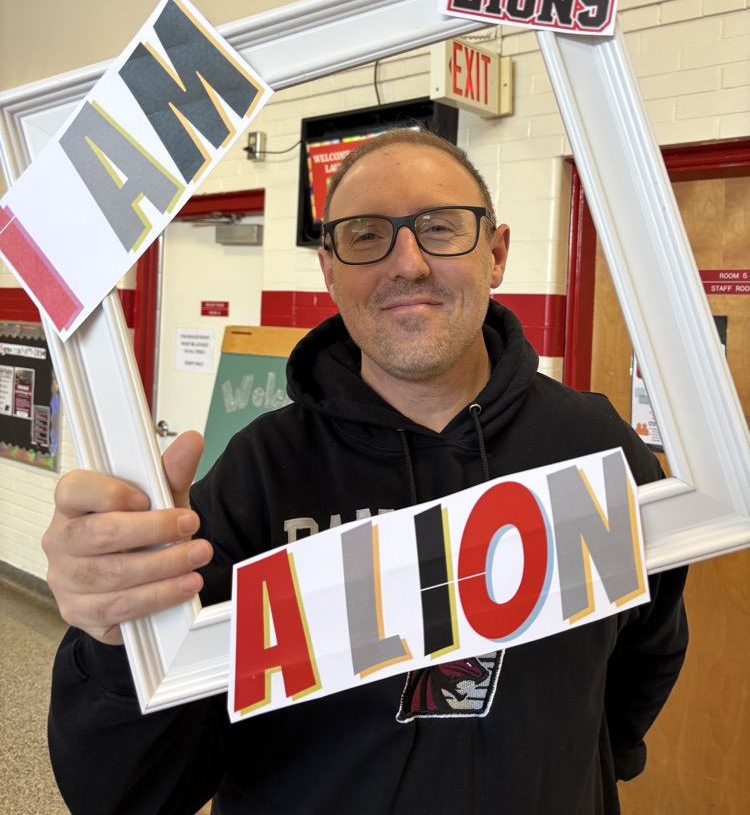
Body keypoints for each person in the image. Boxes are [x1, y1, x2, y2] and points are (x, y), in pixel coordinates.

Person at [43, 128, 688, 815]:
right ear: (329, 270)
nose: (407, 264)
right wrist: (115, 636)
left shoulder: (598, 448)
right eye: (366, 235)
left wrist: (582, 770)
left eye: (440, 227)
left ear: (495, 254)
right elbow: (129, 791)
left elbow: (647, 652)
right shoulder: (257, 480)